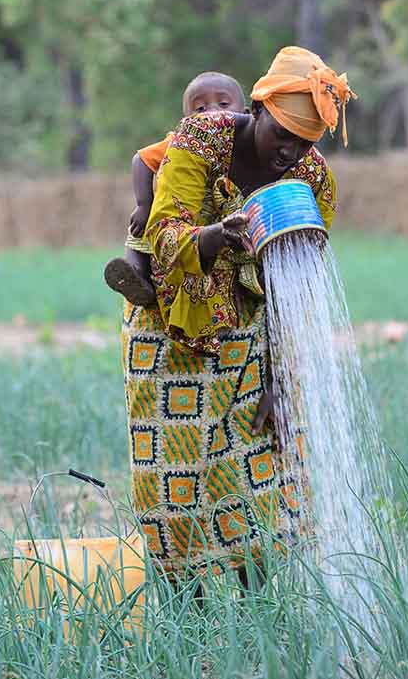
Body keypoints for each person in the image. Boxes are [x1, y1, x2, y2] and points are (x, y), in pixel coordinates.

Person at [121, 46, 355, 582]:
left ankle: (258, 614)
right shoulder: (203, 138)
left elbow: (298, 285)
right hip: (171, 331)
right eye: (283, 135)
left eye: (306, 143)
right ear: (258, 108)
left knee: (260, 484)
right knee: (171, 486)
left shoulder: (311, 181)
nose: (291, 152)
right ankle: (187, 617)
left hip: (252, 340)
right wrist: (213, 236)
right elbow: (162, 232)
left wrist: (284, 378)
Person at [103, 72, 247, 307]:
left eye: (223, 103)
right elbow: (142, 159)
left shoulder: (245, 146)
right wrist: (144, 204)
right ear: (185, 120)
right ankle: (136, 276)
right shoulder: (181, 141)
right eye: (199, 108)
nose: (211, 112)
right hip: (178, 215)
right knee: (145, 229)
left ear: (246, 114)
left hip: (221, 217)